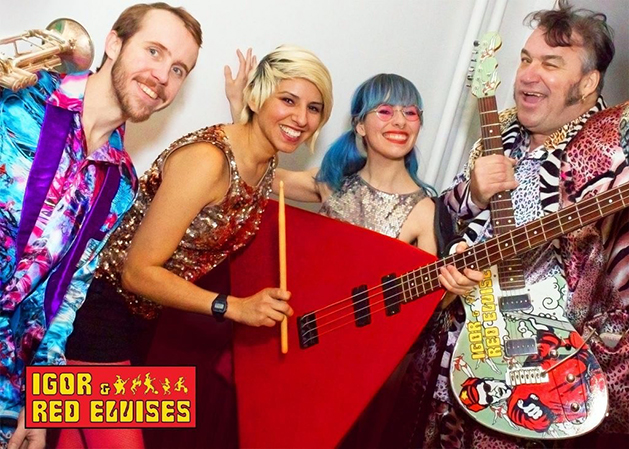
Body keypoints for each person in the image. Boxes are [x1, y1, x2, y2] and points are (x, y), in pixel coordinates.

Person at [60, 44, 333, 448]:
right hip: (94, 312)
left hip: (143, 324)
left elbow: (321, 185)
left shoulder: (265, 163)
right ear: (258, 97)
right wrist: (234, 307)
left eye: (314, 108)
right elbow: (136, 272)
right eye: (288, 100)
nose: (301, 118)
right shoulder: (208, 160)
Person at [385, 1, 629, 447]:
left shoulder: (612, 156)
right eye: (525, 59)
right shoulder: (499, 132)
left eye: (550, 64)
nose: (528, 75)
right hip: (450, 362)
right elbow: (441, 225)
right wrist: (471, 200)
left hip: (539, 380)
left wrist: (577, 374)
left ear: (588, 82)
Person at [0, 3, 201, 448]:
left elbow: (64, 298)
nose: (162, 76)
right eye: (153, 51)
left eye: (178, 69)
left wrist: (39, 402)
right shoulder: (17, 96)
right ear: (114, 43)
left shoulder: (120, 181)